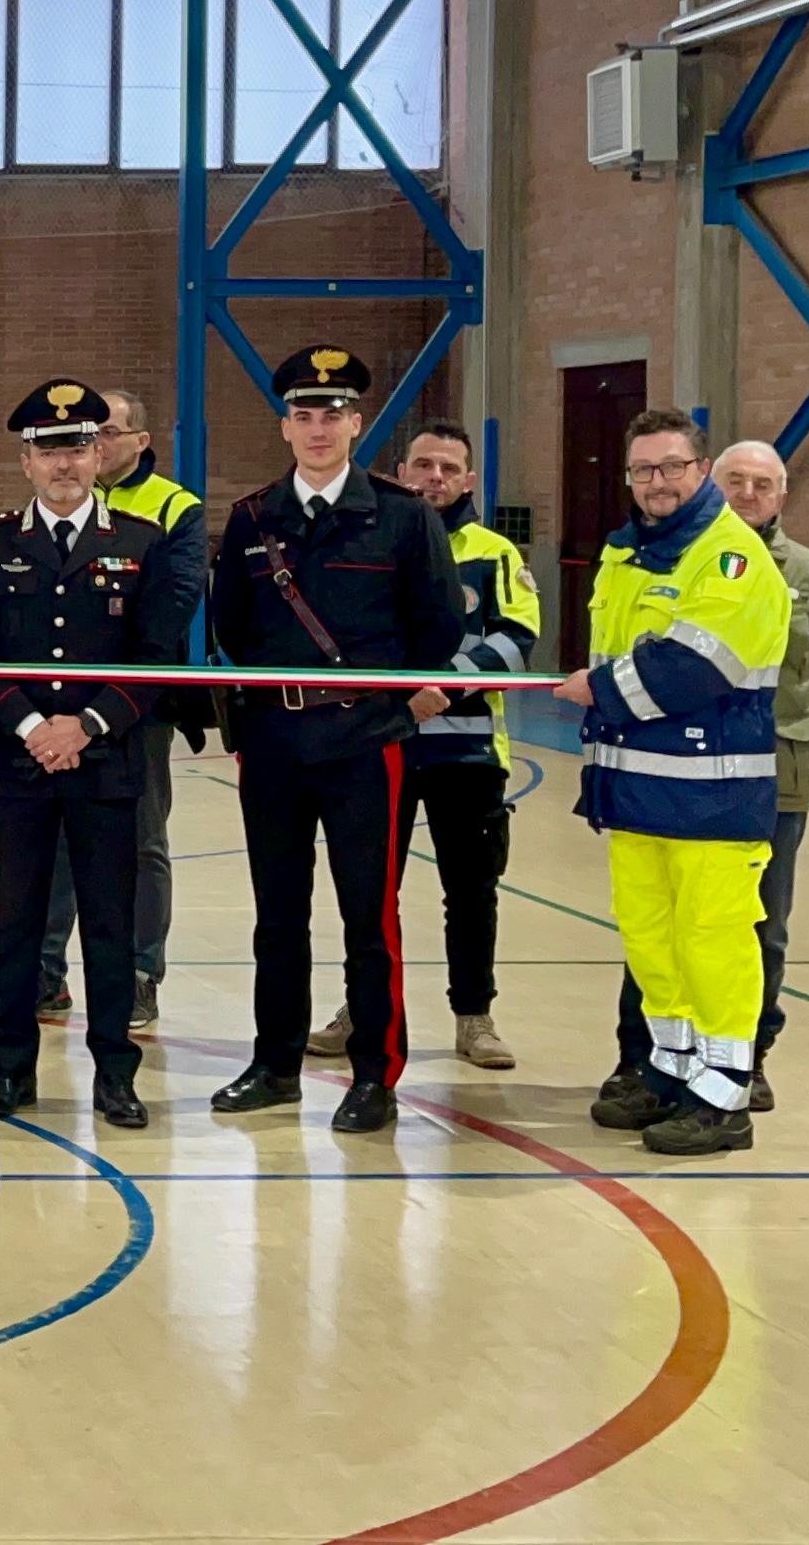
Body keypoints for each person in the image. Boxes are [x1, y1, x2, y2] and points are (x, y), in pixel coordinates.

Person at [206, 348, 459, 1136]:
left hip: (362, 744)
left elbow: (439, 623)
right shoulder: (252, 518)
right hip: (276, 742)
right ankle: (276, 1063)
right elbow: (232, 627)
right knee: (277, 913)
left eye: (333, 414)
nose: (318, 429)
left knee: (367, 915)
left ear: (356, 423)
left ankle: (375, 1074)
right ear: (285, 426)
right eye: (303, 415)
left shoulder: (403, 515)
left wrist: (390, 704)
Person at [556, 411, 791, 1156]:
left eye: (672, 466)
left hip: (711, 798)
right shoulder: (625, 556)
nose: (658, 482)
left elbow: (697, 665)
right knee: (653, 942)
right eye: (643, 470)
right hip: (636, 794)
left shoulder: (731, 558)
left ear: (701, 468)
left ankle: (724, 1096)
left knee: (713, 943)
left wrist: (600, 688)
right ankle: (673, 1068)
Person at [0, 383, 184, 1131]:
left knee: (110, 927)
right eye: (49, 449)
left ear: (100, 455)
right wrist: (31, 729)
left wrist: (83, 725)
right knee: (18, 923)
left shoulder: (139, 541)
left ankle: (116, 1073)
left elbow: (154, 659)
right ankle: (11, 1068)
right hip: (18, 766)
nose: (65, 463)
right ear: (26, 460)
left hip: (107, 762)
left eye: (79, 447)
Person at [304, 421, 533, 1072]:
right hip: (379, 744)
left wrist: (444, 689)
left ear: (467, 480)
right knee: (370, 889)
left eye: (449, 468)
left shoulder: (495, 553)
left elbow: (518, 636)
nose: (435, 477)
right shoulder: (369, 540)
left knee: (471, 888)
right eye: (424, 465)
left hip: (466, 754)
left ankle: (475, 1015)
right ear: (401, 470)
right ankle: (362, 1009)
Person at [35, 388, 206, 1026]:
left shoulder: (173, 508)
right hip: (57, 709)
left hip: (139, 706)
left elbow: (169, 611)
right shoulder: (63, 498)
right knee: (52, 840)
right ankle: (46, 972)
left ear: (140, 441)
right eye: (87, 434)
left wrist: (107, 704)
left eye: (108, 432)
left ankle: (139, 973)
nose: (94, 445)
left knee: (141, 842)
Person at [689, 442, 809, 1110]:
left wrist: (792, 725)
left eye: (763, 484)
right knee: (684, 915)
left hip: (776, 777)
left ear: (781, 496)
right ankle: (667, 1050)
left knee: (765, 923)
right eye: (735, 481)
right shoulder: (682, 560)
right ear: (713, 486)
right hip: (691, 771)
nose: (748, 493)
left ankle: (749, 1054)